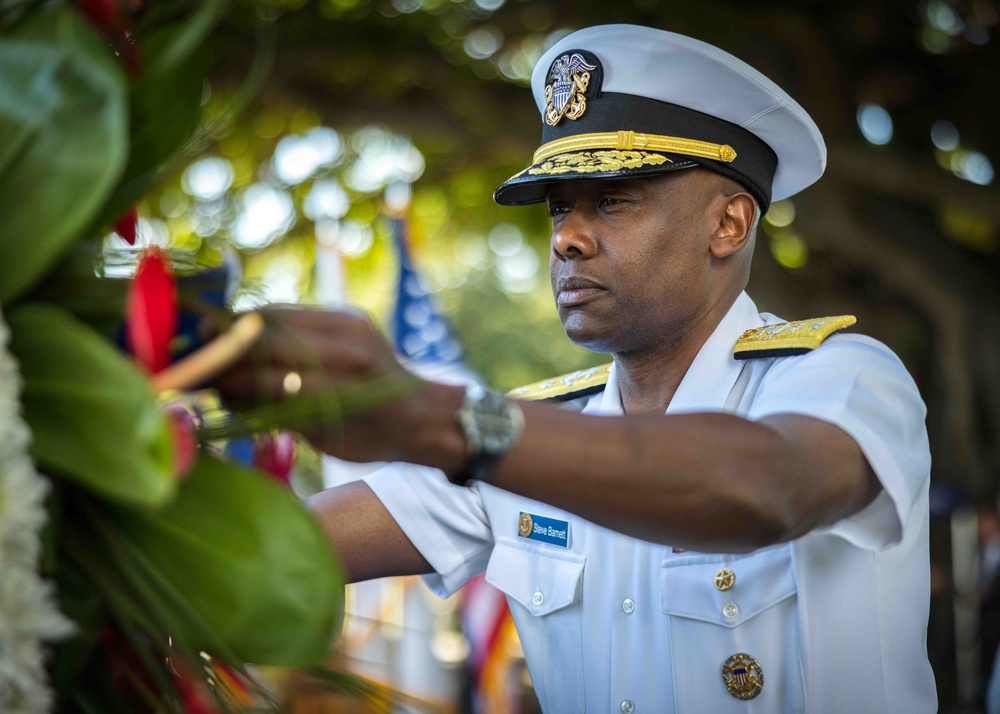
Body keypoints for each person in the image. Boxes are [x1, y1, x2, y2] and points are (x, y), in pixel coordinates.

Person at [217, 25, 934, 713]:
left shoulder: (845, 377)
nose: (567, 238)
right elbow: (274, 554)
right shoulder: (543, 430)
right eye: (560, 208)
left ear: (729, 225)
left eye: (614, 201)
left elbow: (765, 487)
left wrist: (436, 415)